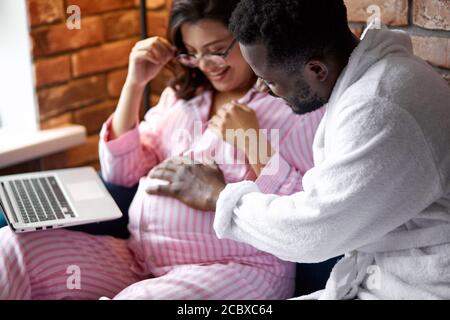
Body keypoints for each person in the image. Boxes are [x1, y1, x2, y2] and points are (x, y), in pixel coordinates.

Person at [0, 0, 325, 299]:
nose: (205, 64)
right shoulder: (183, 99)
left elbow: (304, 210)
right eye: (192, 52)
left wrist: (252, 140)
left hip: (236, 269)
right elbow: (121, 173)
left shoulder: (293, 108)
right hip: (139, 257)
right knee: (11, 247)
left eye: (215, 50)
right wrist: (134, 84)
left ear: (250, 38)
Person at [147, 0, 450, 299]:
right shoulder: (370, 80)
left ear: (316, 69)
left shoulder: (379, 107)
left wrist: (216, 196)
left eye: (271, 81)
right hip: (379, 279)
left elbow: (314, 230)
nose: (265, 90)